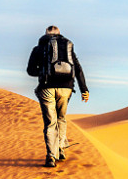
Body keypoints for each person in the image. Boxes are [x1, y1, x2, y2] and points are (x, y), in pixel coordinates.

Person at [26, 26, 89, 167]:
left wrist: (43, 73)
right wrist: (84, 89)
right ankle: (60, 149)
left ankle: (51, 156)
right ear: (60, 34)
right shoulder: (67, 46)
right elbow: (77, 68)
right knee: (61, 118)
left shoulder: (39, 48)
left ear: (45, 34)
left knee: (50, 122)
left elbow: (30, 70)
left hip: (46, 88)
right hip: (66, 88)